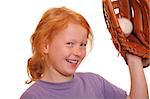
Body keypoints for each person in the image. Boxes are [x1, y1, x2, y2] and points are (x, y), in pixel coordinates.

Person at [20, 7, 149, 99]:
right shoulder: (33, 96)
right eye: (70, 44)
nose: (78, 52)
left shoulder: (95, 83)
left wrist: (133, 60)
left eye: (83, 45)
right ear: (45, 45)